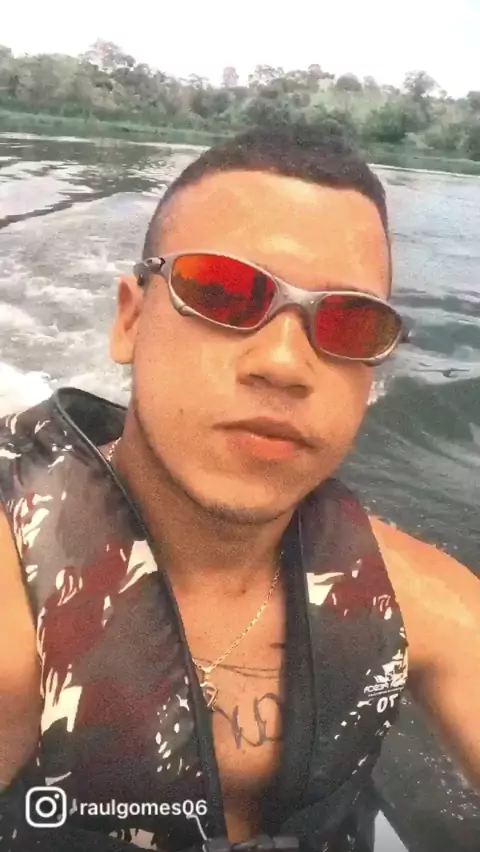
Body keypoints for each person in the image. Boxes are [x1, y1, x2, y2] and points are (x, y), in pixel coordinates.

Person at [0, 125, 479, 852]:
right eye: (223, 293)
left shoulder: (422, 599)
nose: (284, 363)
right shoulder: (16, 602)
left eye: (349, 322)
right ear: (130, 320)